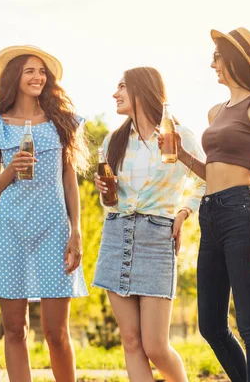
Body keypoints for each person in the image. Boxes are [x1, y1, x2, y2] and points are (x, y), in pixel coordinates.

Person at [159, 27, 250, 381]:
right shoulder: (215, 112)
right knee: (210, 326)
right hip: (210, 214)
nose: (212, 63)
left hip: (243, 214)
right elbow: (210, 172)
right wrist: (181, 154)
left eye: (217, 56)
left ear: (234, 62)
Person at [0, 45, 89, 382]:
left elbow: (70, 181)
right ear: (14, 78)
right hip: (9, 232)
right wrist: (10, 170)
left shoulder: (62, 123)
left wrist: (76, 230)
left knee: (56, 332)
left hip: (55, 231)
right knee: (14, 330)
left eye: (42, 71)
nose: (38, 77)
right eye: (30, 71)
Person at [93, 67, 205, 382]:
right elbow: (110, 200)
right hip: (116, 235)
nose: (115, 94)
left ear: (142, 90)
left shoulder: (179, 136)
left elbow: (205, 181)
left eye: (122, 87)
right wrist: (105, 193)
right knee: (130, 341)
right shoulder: (113, 141)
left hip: (156, 238)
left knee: (155, 346)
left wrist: (184, 213)